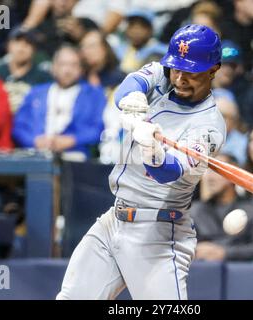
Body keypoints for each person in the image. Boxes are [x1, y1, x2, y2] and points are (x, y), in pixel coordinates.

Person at [57, 24, 226, 300]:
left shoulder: (208, 127)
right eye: (177, 69)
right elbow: (129, 87)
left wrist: (152, 149)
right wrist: (134, 102)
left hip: (158, 234)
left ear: (213, 69)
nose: (181, 79)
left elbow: (167, 172)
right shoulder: (164, 75)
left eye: (191, 72)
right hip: (114, 220)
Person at [12, 45, 106, 158]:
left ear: (81, 69)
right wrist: (34, 141)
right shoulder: (36, 92)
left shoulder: (94, 95)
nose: (67, 70)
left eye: (73, 65)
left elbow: (98, 128)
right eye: (63, 64)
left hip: (75, 155)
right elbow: (19, 127)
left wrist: (73, 140)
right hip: (35, 154)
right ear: (54, 67)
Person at [191, 153, 253, 261]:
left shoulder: (252, 211)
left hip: (239, 275)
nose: (210, 177)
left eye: (216, 170)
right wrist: (194, 251)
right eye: (207, 170)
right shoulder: (196, 211)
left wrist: (225, 253)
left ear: (233, 176)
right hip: (203, 274)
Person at [0, 26, 52, 113]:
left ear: (34, 49)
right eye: (17, 42)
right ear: (8, 45)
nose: (22, 48)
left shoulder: (43, 78)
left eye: (28, 43)